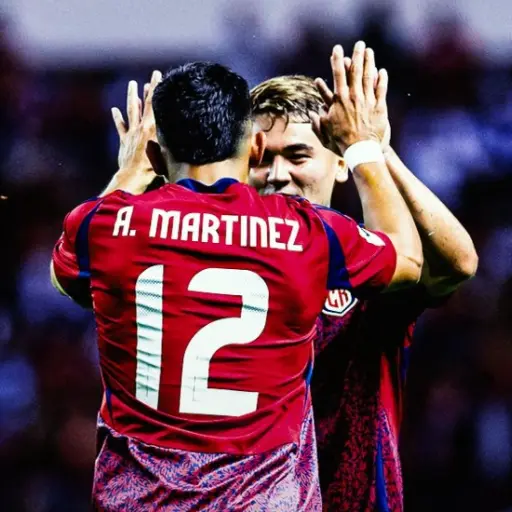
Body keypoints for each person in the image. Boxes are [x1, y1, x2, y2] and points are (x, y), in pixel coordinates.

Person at [51, 44, 422, 511]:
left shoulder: (105, 225)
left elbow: (64, 276)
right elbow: (408, 259)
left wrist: (130, 172)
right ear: (256, 147)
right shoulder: (303, 231)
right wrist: (363, 147)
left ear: (155, 156)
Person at [249, 61, 478, 511]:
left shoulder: (376, 263)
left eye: (297, 156)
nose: (277, 174)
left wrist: (373, 149)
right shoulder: (222, 263)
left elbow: (458, 263)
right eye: (261, 160)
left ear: (339, 164)